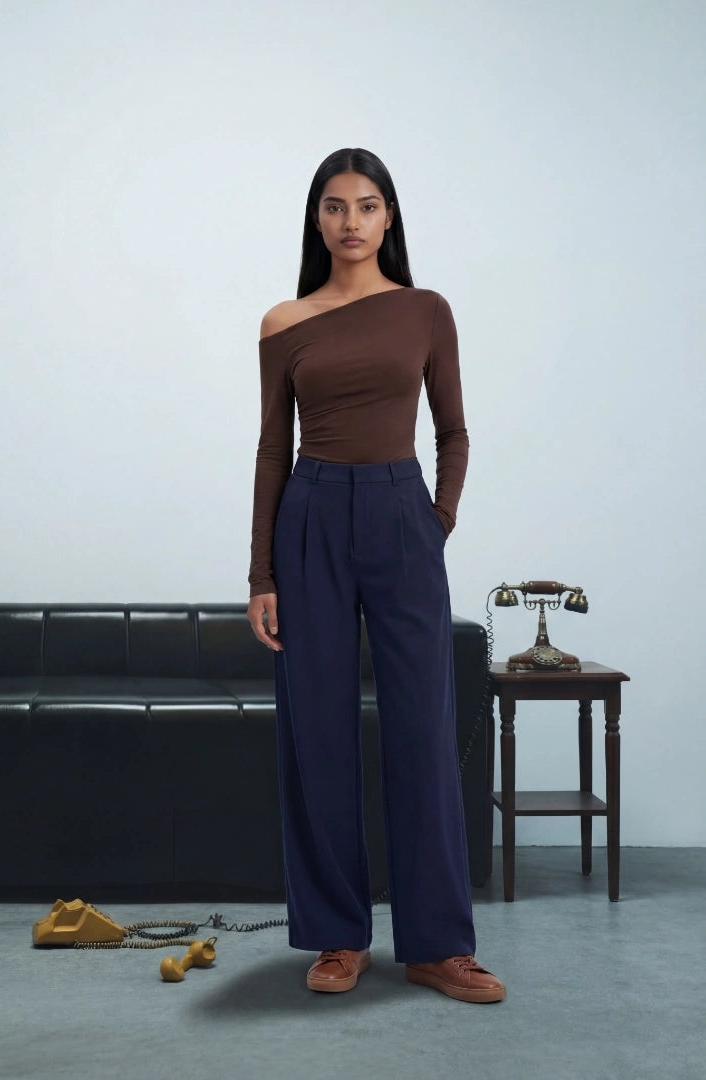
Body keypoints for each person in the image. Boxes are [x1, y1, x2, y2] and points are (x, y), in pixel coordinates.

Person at [246, 147, 506, 1004]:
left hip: (401, 519)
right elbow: (271, 449)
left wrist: (434, 522)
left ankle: (437, 945)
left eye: (366, 205)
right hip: (311, 518)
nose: (349, 221)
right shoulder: (284, 323)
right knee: (315, 730)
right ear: (315, 219)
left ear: (389, 216)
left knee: (422, 731)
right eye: (333, 206)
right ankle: (336, 938)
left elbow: (455, 432)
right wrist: (262, 572)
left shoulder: (426, 311)